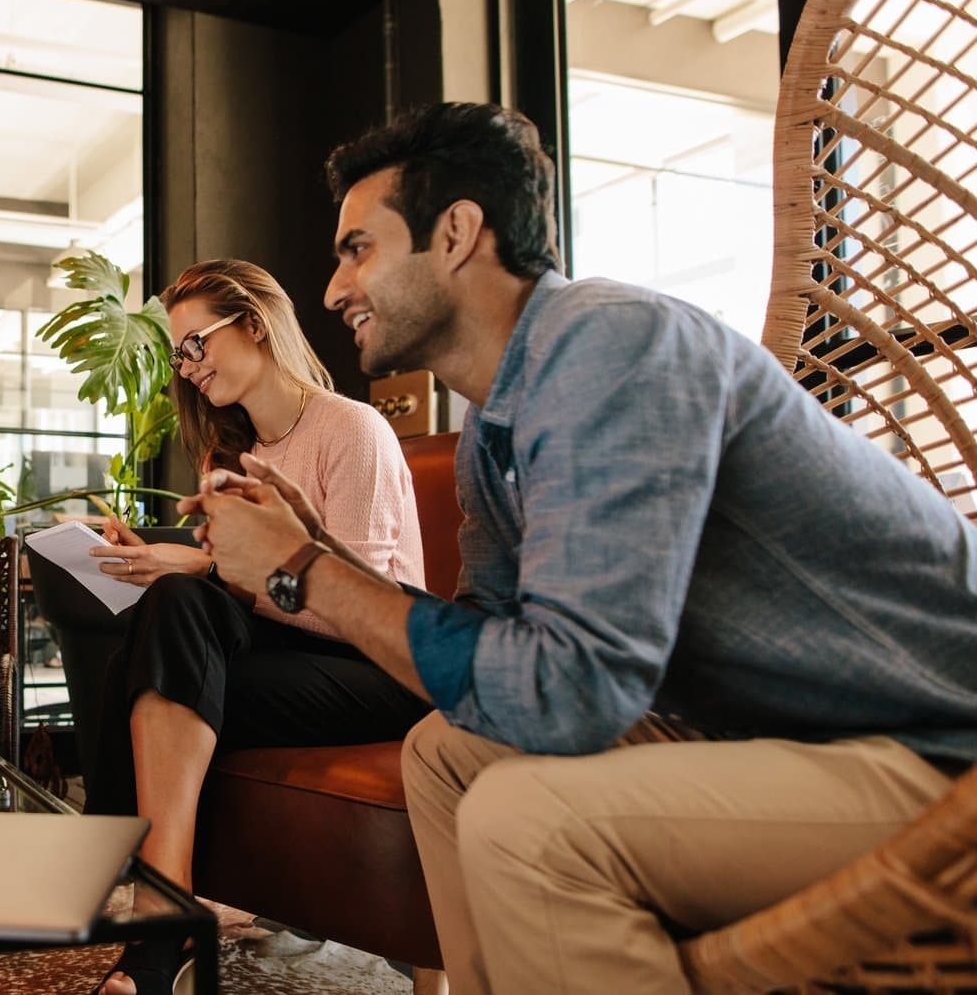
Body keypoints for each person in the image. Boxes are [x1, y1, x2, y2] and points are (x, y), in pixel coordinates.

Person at [187, 102, 977, 995]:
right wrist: (321, 547)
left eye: (357, 248)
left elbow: (571, 692)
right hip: (765, 733)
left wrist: (305, 573)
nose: (332, 291)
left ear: (455, 234)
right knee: (445, 751)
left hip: (934, 748)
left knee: (530, 822)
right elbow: (486, 647)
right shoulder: (498, 418)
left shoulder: (613, 343)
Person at [85, 259, 430, 995]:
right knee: (163, 624)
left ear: (254, 322)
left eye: (196, 344)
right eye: (178, 354)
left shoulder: (352, 430)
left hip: (381, 666)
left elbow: (357, 604)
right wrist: (174, 564)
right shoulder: (230, 455)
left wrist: (210, 572)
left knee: (155, 653)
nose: (187, 367)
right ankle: (168, 902)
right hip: (291, 660)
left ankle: (157, 912)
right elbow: (233, 602)